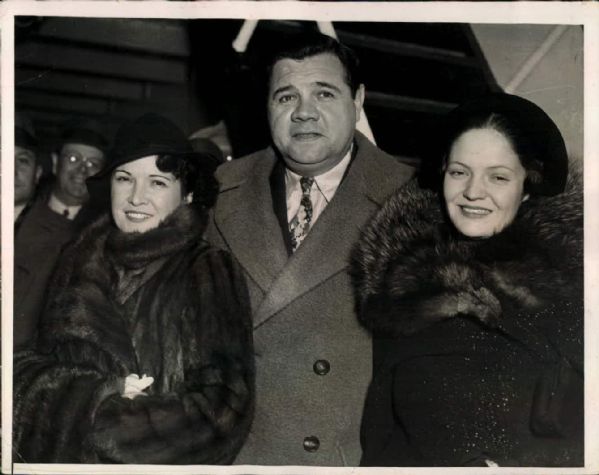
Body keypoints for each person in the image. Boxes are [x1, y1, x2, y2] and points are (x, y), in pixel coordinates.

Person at [205, 32, 415, 465]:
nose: (304, 113)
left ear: (357, 100)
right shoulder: (218, 193)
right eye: (286, 97)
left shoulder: (411, 200)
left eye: (324, 93)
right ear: (267, 106)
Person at [351, 93, 583, 466]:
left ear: (528, 187)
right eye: (459, 172)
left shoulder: (573, 292)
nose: (473, 192)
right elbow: (382, 435)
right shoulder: (404, 285)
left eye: (498, 176)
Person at [13, 113, 255, 464]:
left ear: (186, 194)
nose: (136, 198)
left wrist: (108, 430)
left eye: (157, 183)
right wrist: (96, 397)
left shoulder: (206, 268)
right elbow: (24, 372)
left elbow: (224, 409)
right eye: (125, 179)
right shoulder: (78, 260)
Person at [14, 121, 109, 349]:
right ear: (56, 164)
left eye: (92, 164)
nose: (82, 170)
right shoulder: (21, 211)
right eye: (74, 159)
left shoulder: (104, 234)